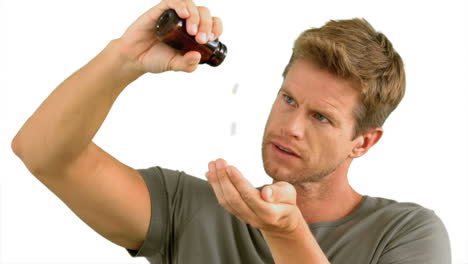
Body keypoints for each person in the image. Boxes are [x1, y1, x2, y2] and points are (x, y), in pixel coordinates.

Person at [11, 0, 451, 263]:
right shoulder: (193, 208)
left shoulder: (406, 233)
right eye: (289, 99)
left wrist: (286, 234)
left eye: (321, 117)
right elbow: (41, 151)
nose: (291, 126)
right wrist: (123, 59)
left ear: (364, 141)